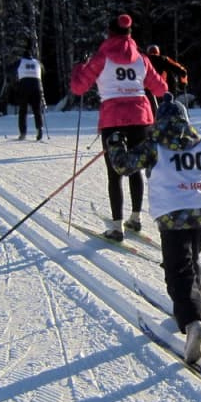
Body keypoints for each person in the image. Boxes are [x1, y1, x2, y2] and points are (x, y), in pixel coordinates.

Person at [106, 93, 201, 363]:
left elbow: (122, 166)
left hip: (172, 212)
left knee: (176, 269)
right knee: (190, 260)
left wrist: (115, 144)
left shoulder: (154, 145)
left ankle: (192, 321)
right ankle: (190, 306)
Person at [69, 14, 169, 240]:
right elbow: (161, 89)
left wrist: (79, 66)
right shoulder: (142, 59)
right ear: (130, 34)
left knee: (115, 173)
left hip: (113, 119)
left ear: (110, 33)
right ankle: (135, 218)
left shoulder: (102, 57)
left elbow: (78, 87)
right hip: (141, 118)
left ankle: (116, 226)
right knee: (135, 169)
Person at [14, 53, 45, 140]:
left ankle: (23, 132)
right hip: (37, 86)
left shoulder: (20, 61)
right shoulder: (37, 62)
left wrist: (15, 79)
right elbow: (43, 71)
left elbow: (9, 70)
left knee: (23, 110)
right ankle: (39, 129)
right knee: (37, 110)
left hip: (24, 87)